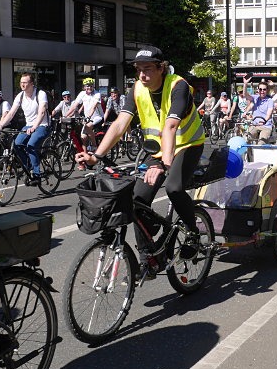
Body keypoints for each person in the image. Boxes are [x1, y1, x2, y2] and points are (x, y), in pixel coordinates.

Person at [74, 46, 205, 273]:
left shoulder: (178, 86)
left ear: (161, 68)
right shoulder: (137, 89)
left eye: (148, 69)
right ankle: (149, 257)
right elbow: (119, 124)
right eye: (138, 70)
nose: (142, 75)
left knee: (174, 188)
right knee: (136, 200)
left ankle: (193, 233)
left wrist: (164, 165)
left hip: (187, 145)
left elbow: (171, 126)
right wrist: (96, 156)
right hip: (157, 150)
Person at [0, 73, 49, 184]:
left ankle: (37, 175)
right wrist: (1, 125)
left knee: (31, 145)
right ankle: (29, 167)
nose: (22, 84)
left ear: (31, 84)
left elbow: (42, 111)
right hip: (28, 125)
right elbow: (11, 114)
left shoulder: (40, 94)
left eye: (25, 82)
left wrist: (34, 126)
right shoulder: (20, 96)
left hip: (42, 125)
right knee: (17, 145)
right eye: (21, 82)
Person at [66, 77, 103, 149]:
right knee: (83, 138)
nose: (89, 87)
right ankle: (85, 157)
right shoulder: (82, 94)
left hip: (98, 117)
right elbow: (74, 106)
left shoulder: (97, 94)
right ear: (84, 87)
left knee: (88, 126)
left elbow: (94, 107)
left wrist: (89, 117)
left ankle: (94, 145)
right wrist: (65, 116)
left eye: (91, 85)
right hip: (87, 118)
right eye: (87, 86)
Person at [243, 76, 274, 144]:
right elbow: (245, 95)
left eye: (264, 89)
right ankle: (249, 154)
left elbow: (269, 113)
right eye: (260, 89)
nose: (262, 91)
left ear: (267, 90)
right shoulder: (255, 98)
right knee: (246, 138)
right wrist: (245, 84)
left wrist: (264, 120)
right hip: (255, 125)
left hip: (266, 126)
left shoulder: (270, 101)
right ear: (258, 90)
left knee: (261, 143)